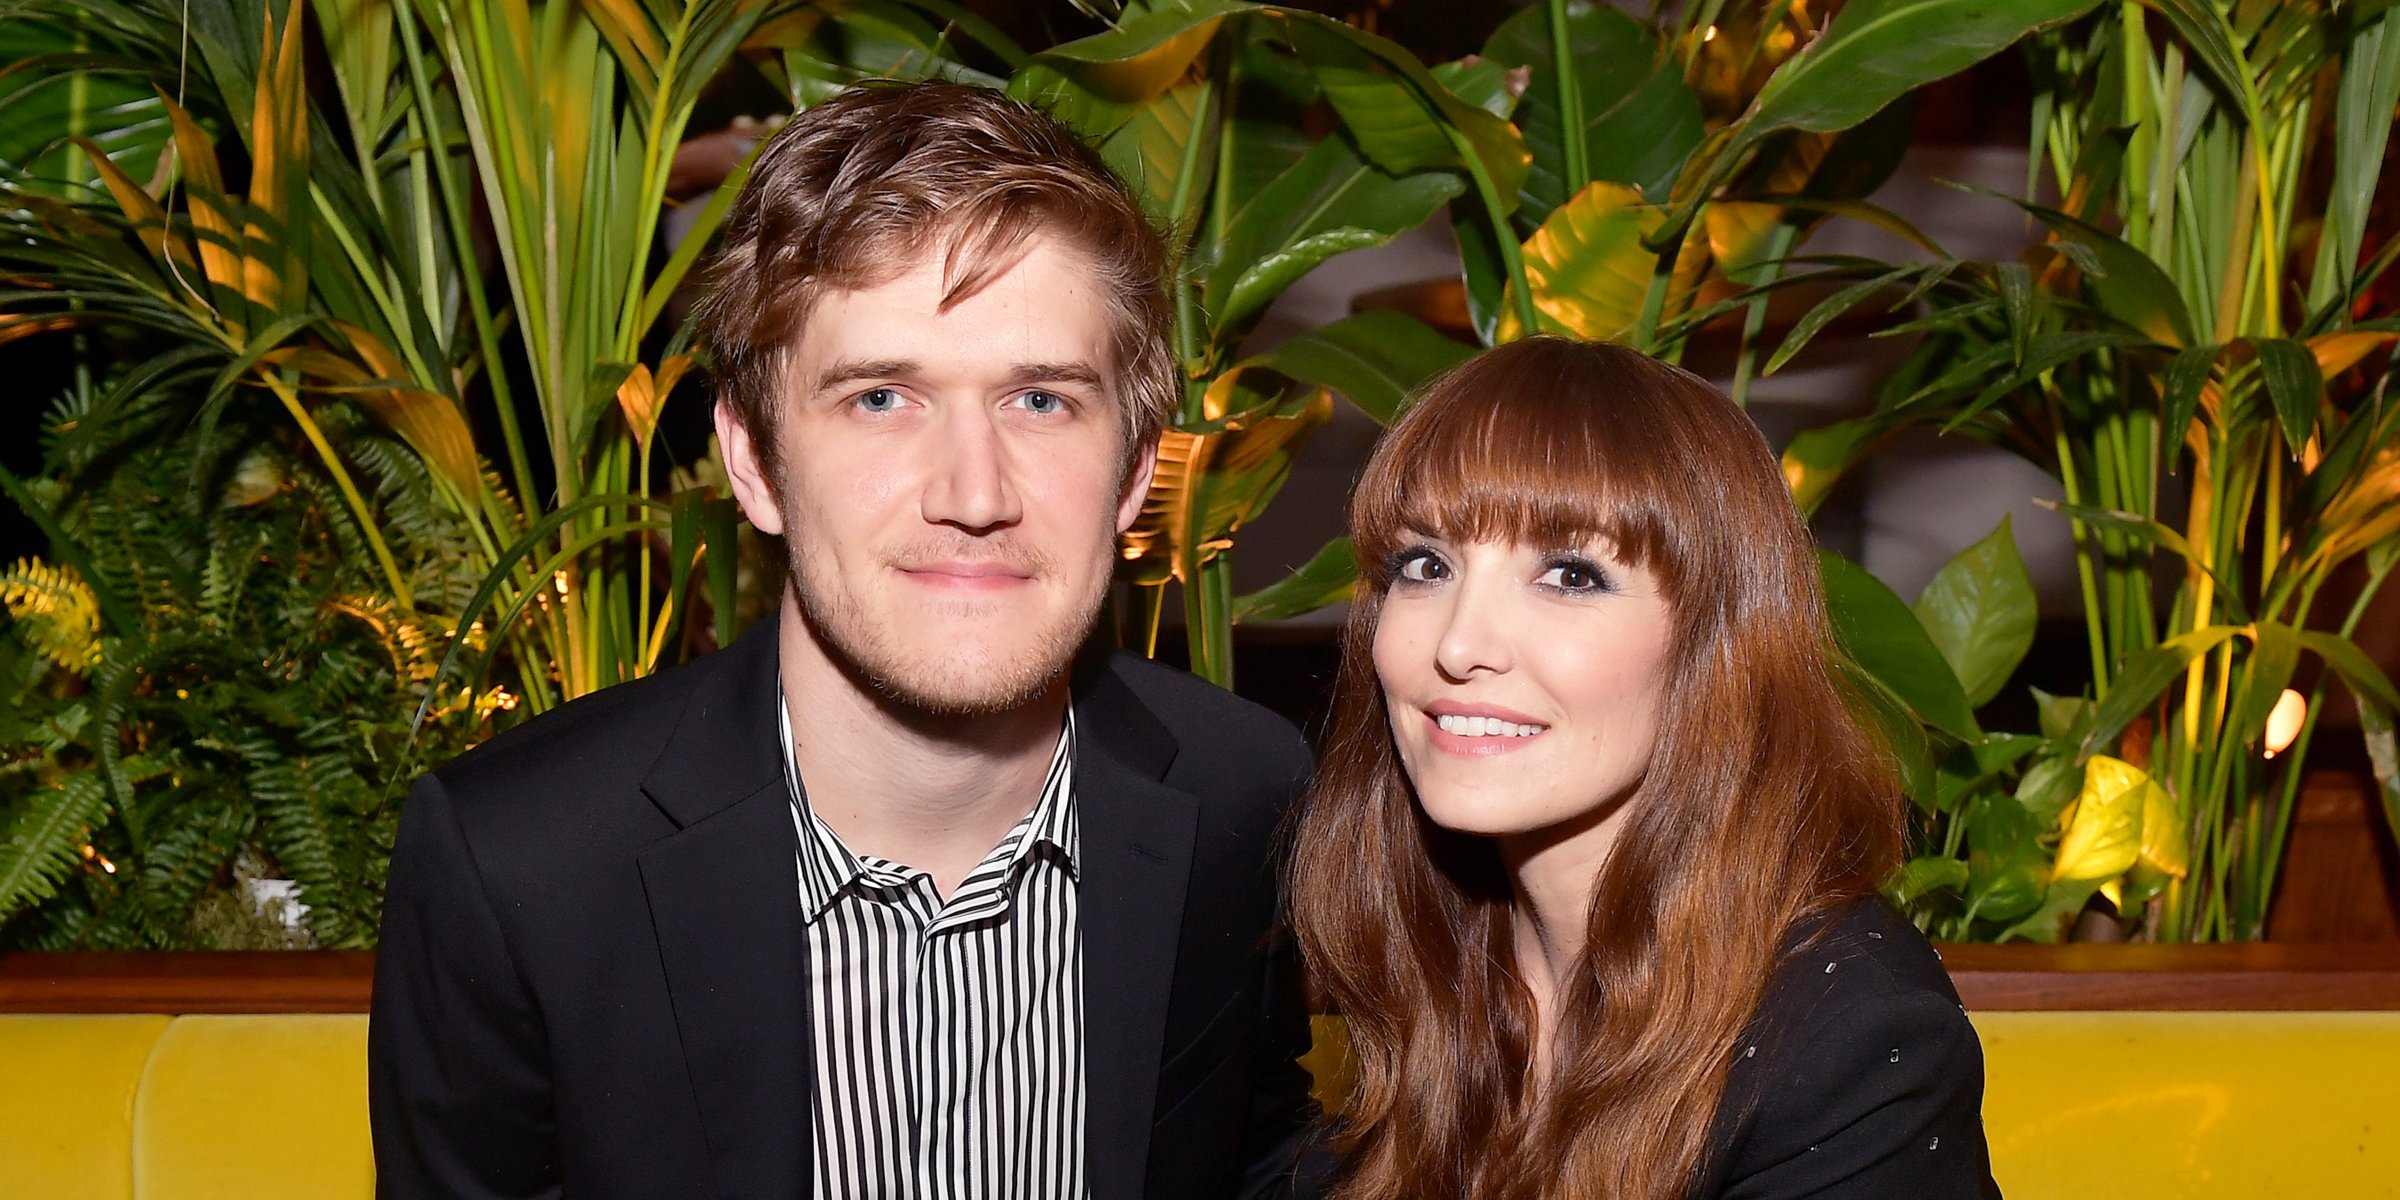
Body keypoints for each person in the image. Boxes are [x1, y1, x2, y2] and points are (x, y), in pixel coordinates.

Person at [371, 82, 1323, 1200]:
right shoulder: (520, 869)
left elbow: (1256, 1159)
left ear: (1134, 473)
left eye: (1042, 403)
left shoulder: (1246, 798)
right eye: (880, 398)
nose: (974, 493)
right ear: (753, 463)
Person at [1289, 337, 1998, 1200]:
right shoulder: (1421, 961)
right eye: (1426, 565)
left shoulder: (1845, 1039)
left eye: (1571, 575)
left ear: (1717, 645)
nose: (1459, 643)